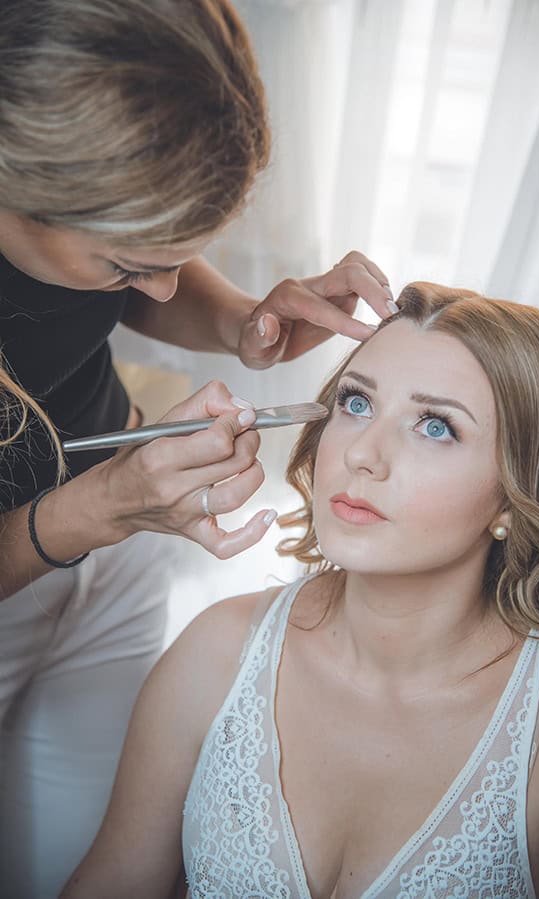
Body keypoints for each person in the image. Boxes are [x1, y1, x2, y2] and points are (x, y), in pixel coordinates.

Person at [0, 2, 395, 896]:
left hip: (111, 545)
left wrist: (239, 323)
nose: (162, 283)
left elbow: (137, 277)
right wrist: (85, 513)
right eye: (126, 263)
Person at [61, 282, 539, 899]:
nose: (364, 456)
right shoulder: (216, 652)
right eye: (357, 403)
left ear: (515, 493)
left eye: (435, 425)